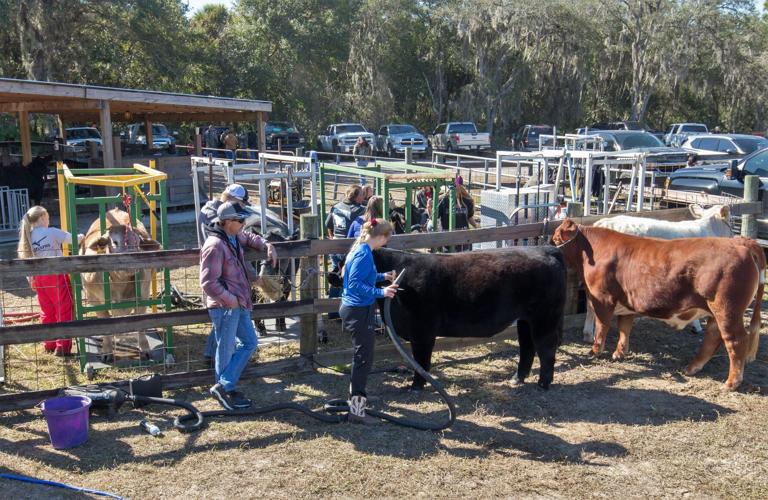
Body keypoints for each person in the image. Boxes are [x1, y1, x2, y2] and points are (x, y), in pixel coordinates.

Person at [200, 202, 277, 410]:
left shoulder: (232, 237)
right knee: (226, 348)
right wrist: (229, 299)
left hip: (238, 302)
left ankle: (223, 386)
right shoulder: (215, 245)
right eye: (240, 220)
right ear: (228, 222)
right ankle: (225, 389)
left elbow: (249, 237)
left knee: (249, 343)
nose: (244, 223)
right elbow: (208, 282)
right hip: (226, 305)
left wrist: (266, 245)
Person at [340, 218, 398, 424]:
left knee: (362, 357)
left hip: (357, 310)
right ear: (381, 237)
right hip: (358, 311)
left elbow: (363, 277)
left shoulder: (362, 249)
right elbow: (355, 284)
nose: (387, 242)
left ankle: (357, 397)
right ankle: (357, 410)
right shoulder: (363, 254)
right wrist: (382, 291)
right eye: (387, 238)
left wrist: (383, 276)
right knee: (363, 359)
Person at [17, 206, 82, 356]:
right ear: (42, 218)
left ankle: (49, 343)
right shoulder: (51, 232)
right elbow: (73, 239)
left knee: (47, 311)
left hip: (38, 277)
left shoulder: (28, 237)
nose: (48, 220)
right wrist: (83, 236)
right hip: (55, 274)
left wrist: (31, 279)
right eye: (47, 217)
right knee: (64, 308)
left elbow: (27, 260)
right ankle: (62, 347)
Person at [198, 184, 251, 365]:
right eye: (240, 204)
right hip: (219, 275)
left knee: (225, 331)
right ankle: (223, 378)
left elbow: (241, 235)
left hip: (224, 274)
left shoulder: (218, 214)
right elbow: (208, 282)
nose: (242, 209)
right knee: (225, 330)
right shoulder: (214, 216)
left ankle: (213, 358)